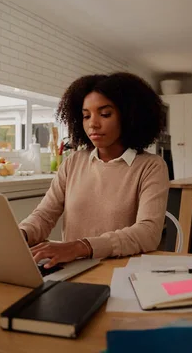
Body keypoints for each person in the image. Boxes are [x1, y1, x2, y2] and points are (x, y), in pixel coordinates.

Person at [19, 72, 170, 268]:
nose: (93, 124)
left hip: (123, 272)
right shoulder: (73, 163)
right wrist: (20, 234)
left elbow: (148, 233)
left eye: (105, 114)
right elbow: (44, 215)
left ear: (129, 116)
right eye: (86, 116)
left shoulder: (151, 167)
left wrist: (80, 247)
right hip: (72, 269)